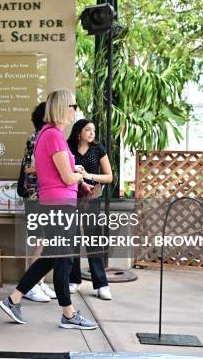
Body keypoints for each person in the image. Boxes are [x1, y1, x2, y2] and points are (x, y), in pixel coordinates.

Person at [0, 89, 98, 330]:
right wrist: (80, 175)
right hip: (59, 204)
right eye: (72, 105)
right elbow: (65, 176)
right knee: (63, 260)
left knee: (50, 258)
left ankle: (13, 299)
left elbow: (47, 170)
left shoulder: (47, 134)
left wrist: (77, 177)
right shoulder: (53, 135)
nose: (75, 110)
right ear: (62, 107)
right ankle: (68, 313)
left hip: (55, 202)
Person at [67, 119, 114, 300]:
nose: (92, 133)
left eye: (93, 130)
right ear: (79, 132)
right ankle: (74, 280)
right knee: (73, 239)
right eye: (88, 129)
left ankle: (101, 285)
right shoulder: (68, 149)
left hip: (91, 199)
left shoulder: (98, 149)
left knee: (93, 241)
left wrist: (89, 176)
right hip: (71, 199)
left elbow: (109, 177)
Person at [17, 102, 57, 302]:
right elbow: (30, 168)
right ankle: (30, 285)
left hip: (42, 195)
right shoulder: (38, 138)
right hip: (35, 196)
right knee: (39, 240)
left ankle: (39, 282)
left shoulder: (42, 137)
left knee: (44, 240)